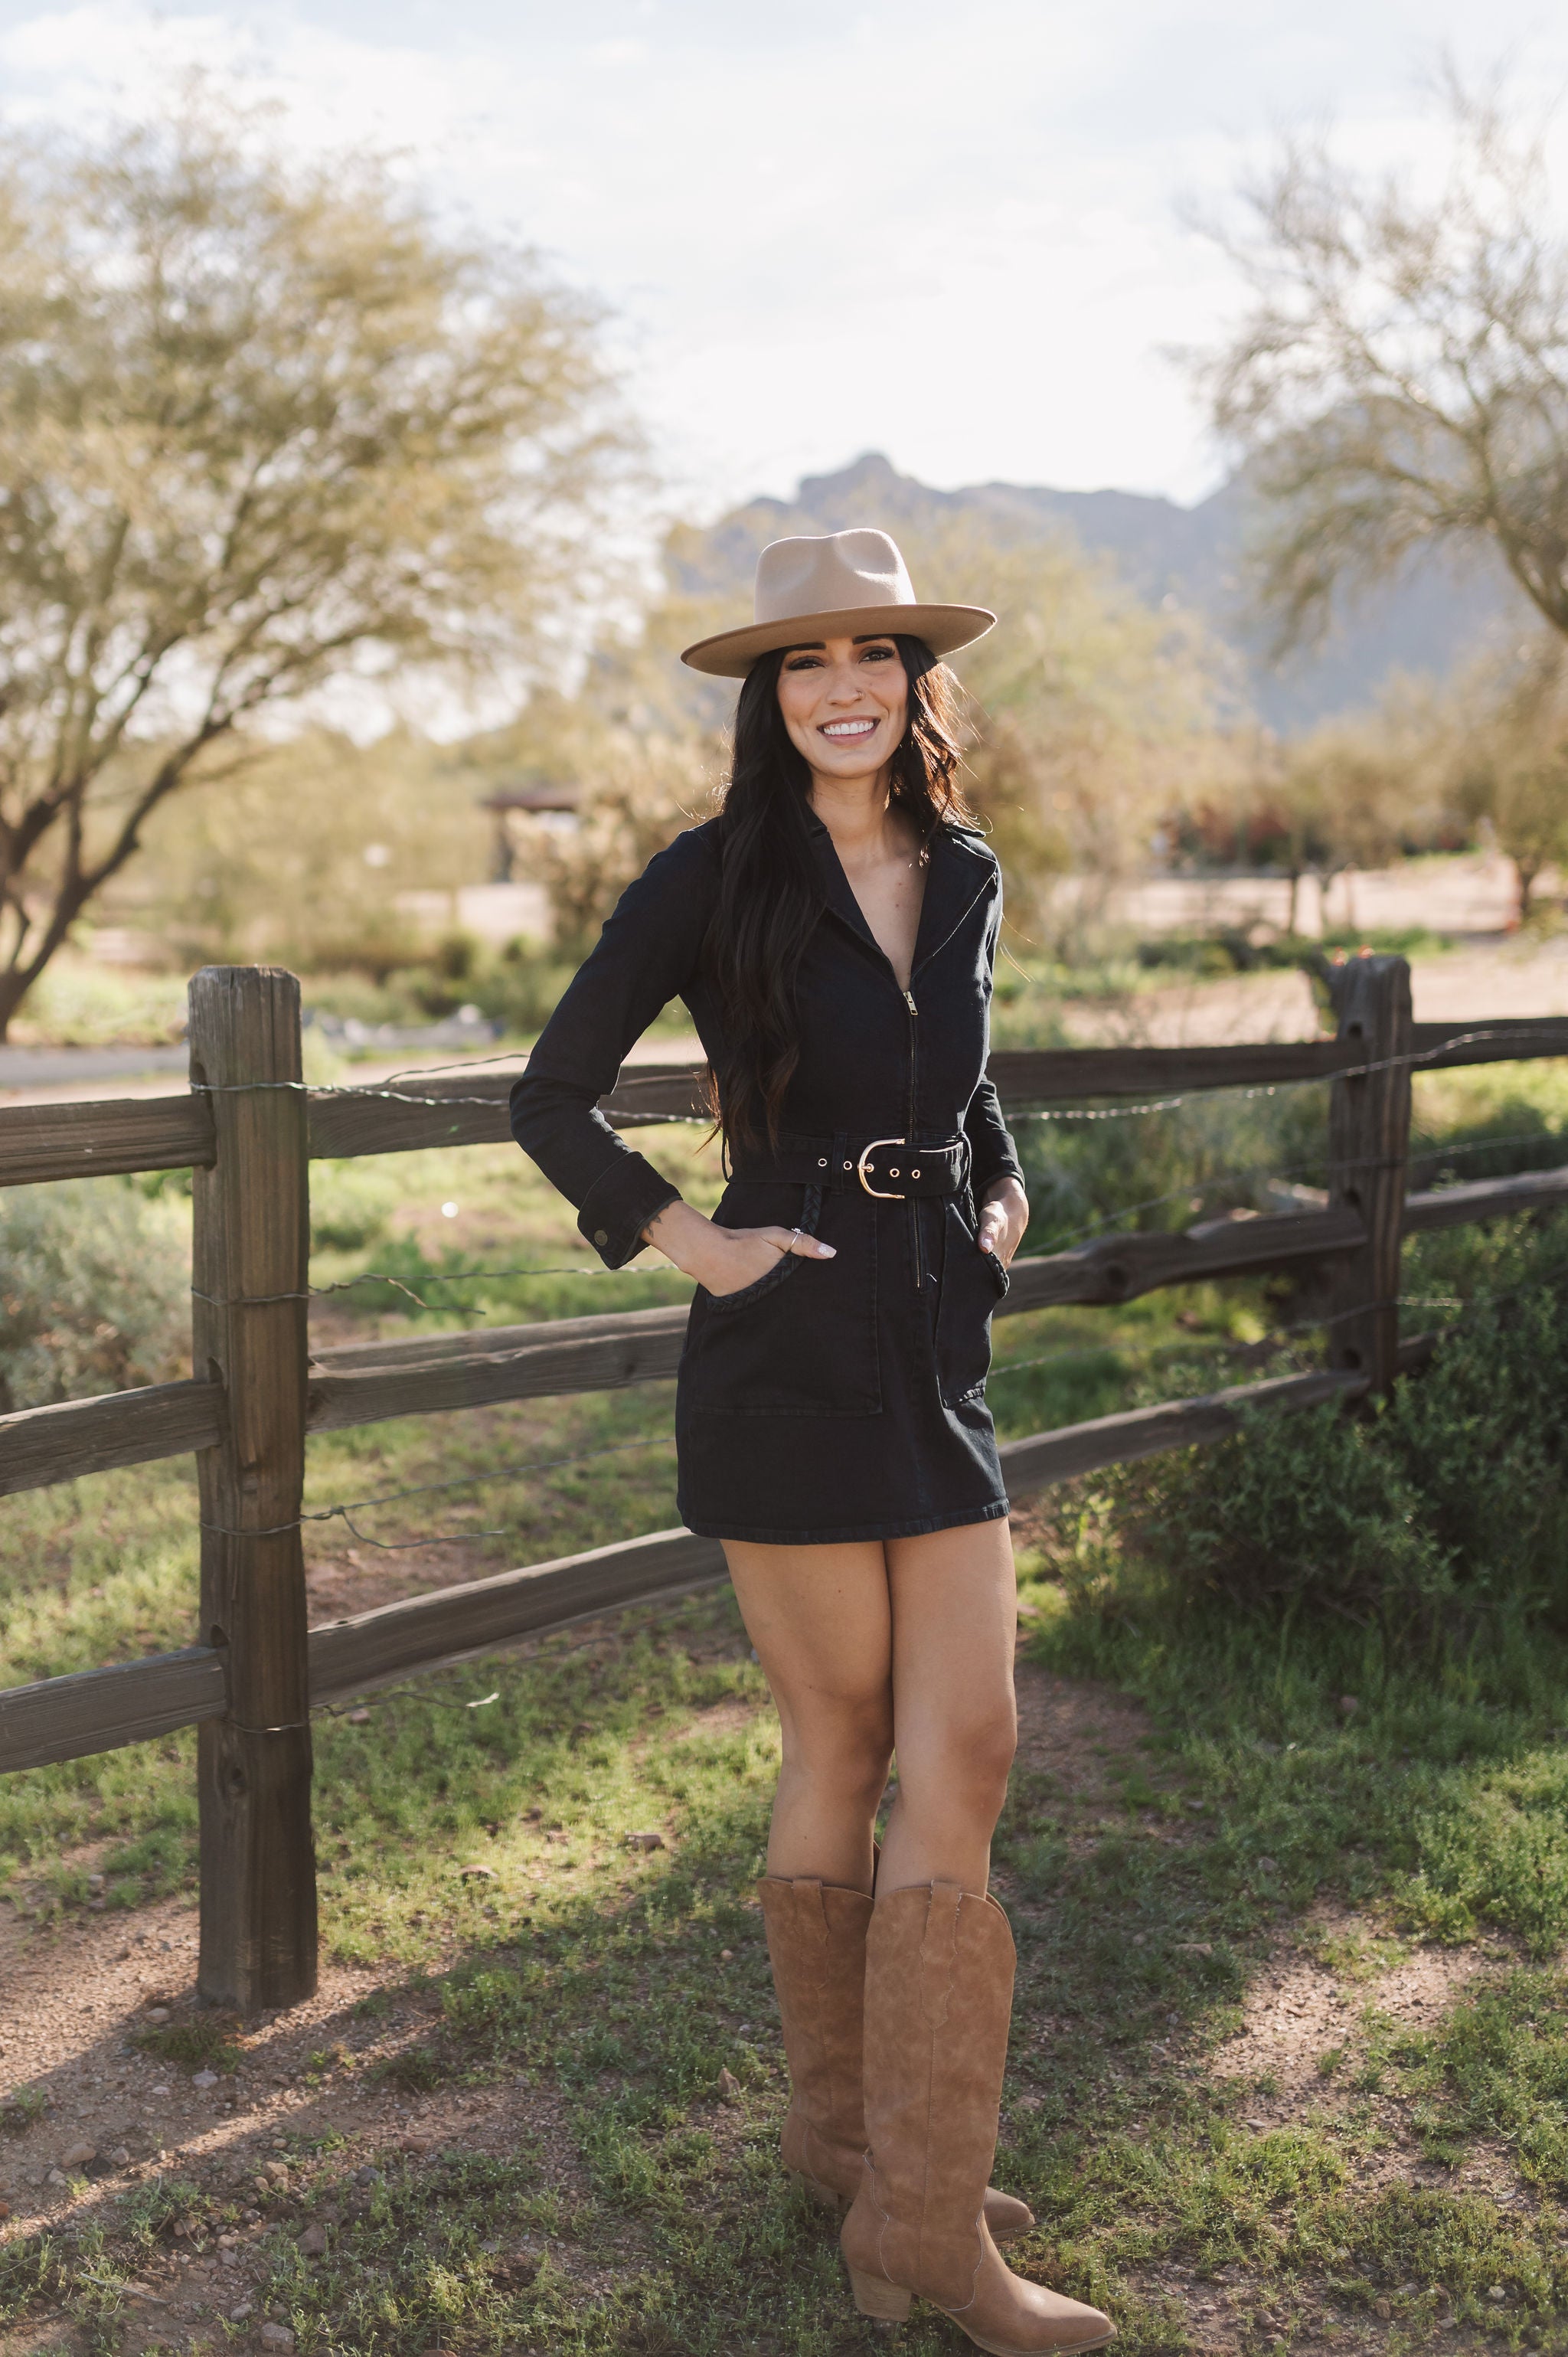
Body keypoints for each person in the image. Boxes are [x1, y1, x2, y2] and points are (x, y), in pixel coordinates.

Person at [511, 528, 1114, 2354]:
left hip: (934, 1331)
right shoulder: (710, 878)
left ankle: (906, 2196)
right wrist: (693, 1242)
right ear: (769, 698)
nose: (842, 684)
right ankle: (861, 2163)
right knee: (843, 1733)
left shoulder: (968, 870)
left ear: (916, 679)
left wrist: (1003, 1197)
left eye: (875, 651)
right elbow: (550, 1091)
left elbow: (976, 1076)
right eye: (803, 661)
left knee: (976, 1740)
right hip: (780, 1336)